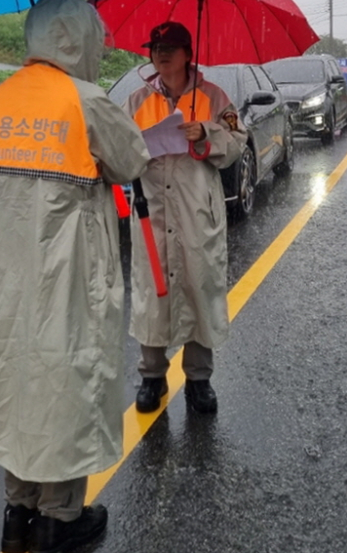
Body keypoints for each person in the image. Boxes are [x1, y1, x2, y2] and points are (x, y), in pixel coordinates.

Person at [0, 0, 150, 553]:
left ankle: (18, 512)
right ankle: (62, 518)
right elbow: (132, 160)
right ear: (78, 39)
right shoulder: (85, 102)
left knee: (14, 382)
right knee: (66, 386)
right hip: (67, 274)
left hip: (1, 278)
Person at [122, 21, 247, 415]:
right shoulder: (137, 100)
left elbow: (236, 142)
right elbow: (120, 148)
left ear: (187, 53)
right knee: (152, 291)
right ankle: (152, 376)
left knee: (199, 287)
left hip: (196, 211)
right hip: (151, 211)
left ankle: (199, 379)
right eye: (156, 46)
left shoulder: (214, 97)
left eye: (171, 46)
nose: (161, 53)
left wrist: (206, 134)